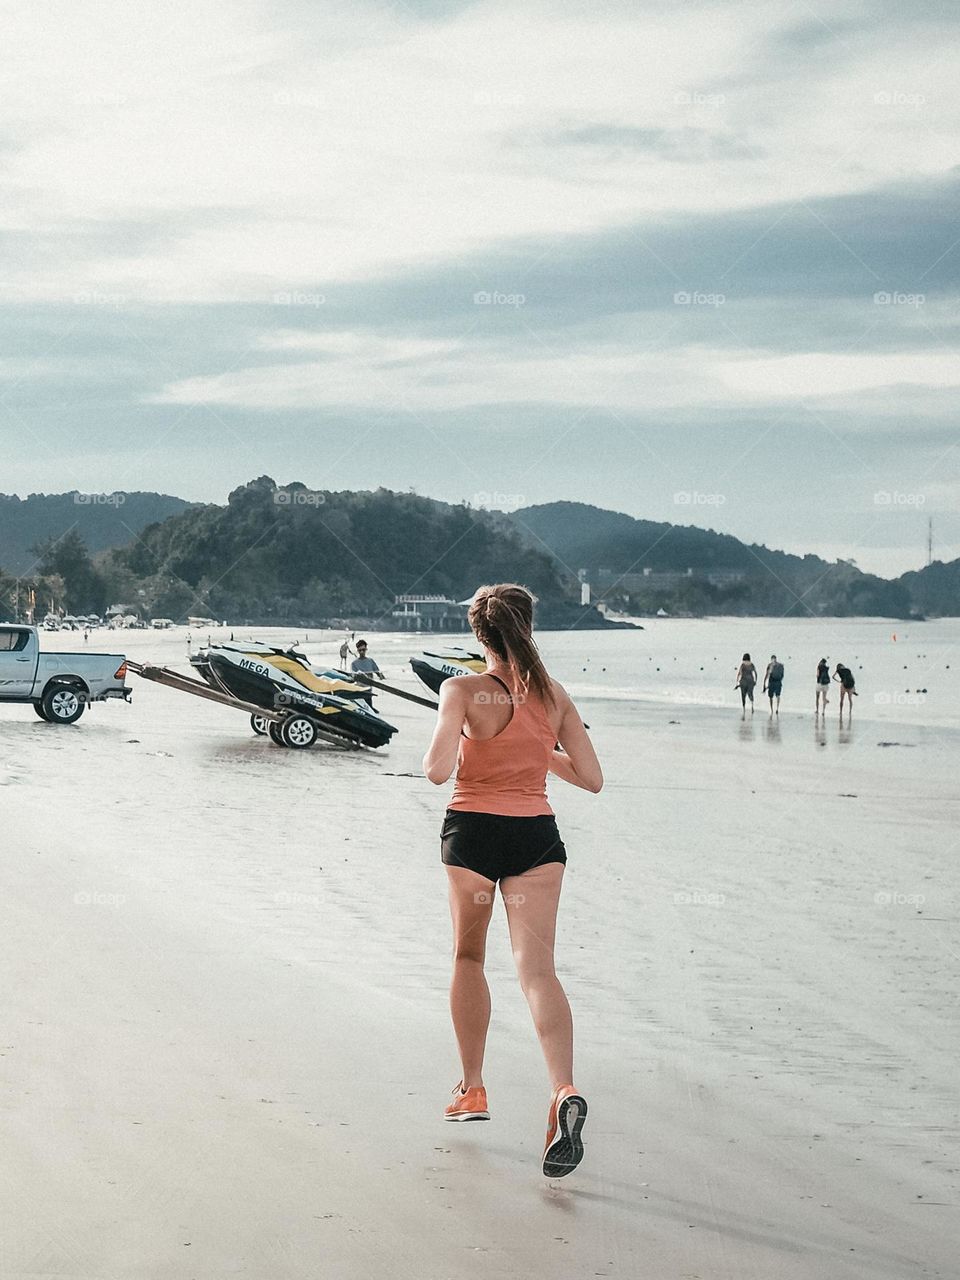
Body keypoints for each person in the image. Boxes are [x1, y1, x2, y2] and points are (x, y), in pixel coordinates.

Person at [422, 583, 602, 1178]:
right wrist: (537, 749)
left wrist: (463, 727)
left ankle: (472, 1088)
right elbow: (592, 777)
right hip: (536, 841)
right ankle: (562, 1090)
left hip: (474, 834)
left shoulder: (462, 689)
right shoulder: (555, 697)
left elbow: (436, 771)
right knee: (538, 971)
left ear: (480, 635)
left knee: (469, 957)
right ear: (528, 626)